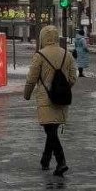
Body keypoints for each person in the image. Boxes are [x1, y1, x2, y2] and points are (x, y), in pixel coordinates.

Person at [23, 24, 79, 177]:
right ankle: (45, 160)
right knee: (52, 130)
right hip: (61, 98)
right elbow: (73, 77)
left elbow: (31, 79)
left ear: (42, 38)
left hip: (45, 98)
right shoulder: (66, 54)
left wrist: (27, 94)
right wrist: (63, 87)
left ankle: (61, 162)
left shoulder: (40, 56)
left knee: (50, 130)